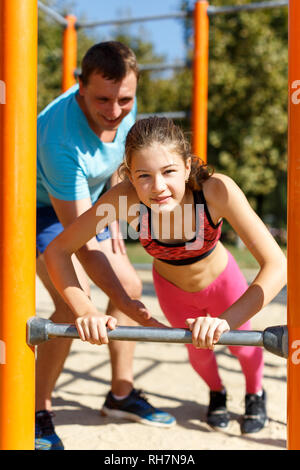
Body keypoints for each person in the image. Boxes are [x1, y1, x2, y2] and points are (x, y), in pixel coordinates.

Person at [43, 117, 287, 437]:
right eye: (144, 175)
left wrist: (225, 320)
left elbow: (277, 265)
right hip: (173, 291)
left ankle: (255, 392)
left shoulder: (215, 191)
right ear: (130, 176)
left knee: (243, 347)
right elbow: (58, 251)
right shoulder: (123, 200)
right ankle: (217, 394)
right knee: (198, 352)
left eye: (169, 171)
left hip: (223, 284)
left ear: (187, 167)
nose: (157, 187)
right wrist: (84, 309)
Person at [35, 45, 176, 451]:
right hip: (38, 208)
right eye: (103, 100)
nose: (115, 111)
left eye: (125, 100)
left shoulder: (121, 101)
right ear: (80, 87)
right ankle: (38, 411)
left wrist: (112, 205)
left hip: (91, 201)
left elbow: (121, 156)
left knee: (129, 287)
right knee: (71, 300)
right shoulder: (60, 141)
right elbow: (78, 244)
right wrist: (114, 304)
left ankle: (120, 394)